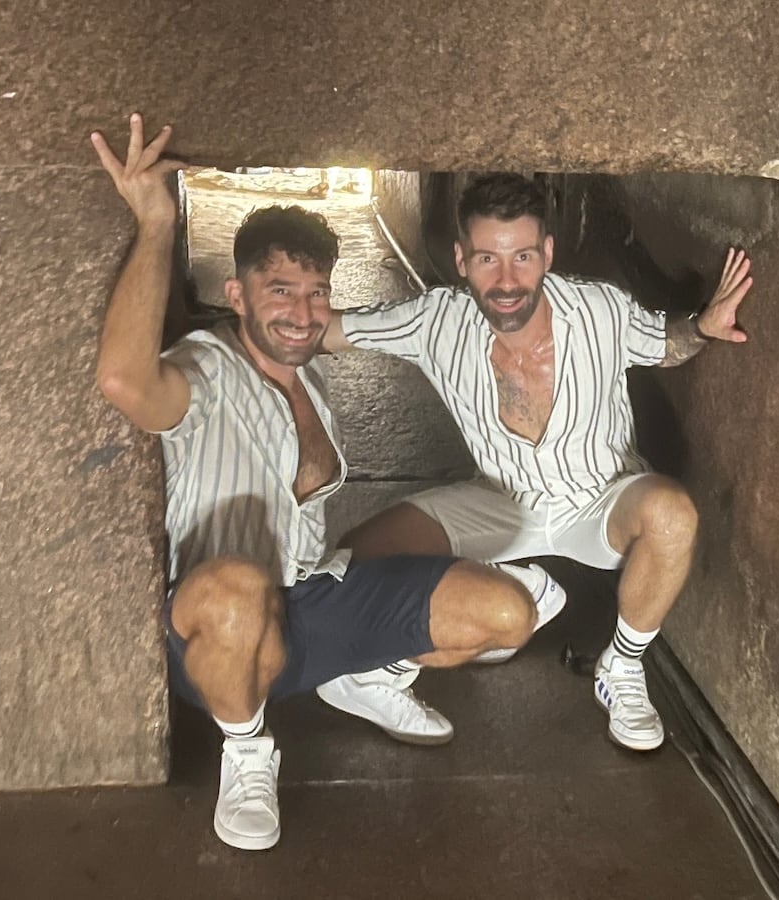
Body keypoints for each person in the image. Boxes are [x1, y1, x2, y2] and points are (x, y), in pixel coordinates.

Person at [89, 117, 554, 851]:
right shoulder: (207, 370)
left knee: (507, 613)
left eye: (315, 292)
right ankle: (245, 748)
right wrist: (155, 222)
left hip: (313, 602)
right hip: (227, 630)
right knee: (240, 583)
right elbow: (122, 379)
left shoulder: (315, 382)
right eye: (280, 291)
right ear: (236, 295)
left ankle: (365, 676)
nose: (303, 314)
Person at [320, 172, 753, 752]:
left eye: (523, 256)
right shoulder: (436, 320)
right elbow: (325, 331)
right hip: (500, 500)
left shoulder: (599, 309)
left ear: (547, 252)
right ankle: (461, 623)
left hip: (599, 498)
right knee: (350, 564)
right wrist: (251, 319)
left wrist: (703, 326)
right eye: (486, 260)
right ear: (461, 259)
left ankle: (621, 668)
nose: (506, 281)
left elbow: (663, 343)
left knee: (672, 513)